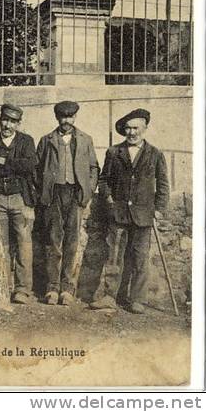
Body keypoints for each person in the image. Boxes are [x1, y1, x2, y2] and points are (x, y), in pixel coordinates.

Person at [90, 108, 170, 314]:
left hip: (144, 215)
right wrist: (108, 198)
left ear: (144, 129)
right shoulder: (114, 152)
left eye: (135, 128)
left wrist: (159, 209)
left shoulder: (155, 154)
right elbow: (104, 179)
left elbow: (163, 184)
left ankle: (137, 299)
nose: (131, 132)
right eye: (128, 128)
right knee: (114, 256)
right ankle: (109, 296)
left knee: (140, 257)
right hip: (119, 213)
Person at [36, 101, 99, 305]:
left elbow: (93, 168)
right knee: (53, 241)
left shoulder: (85, 139)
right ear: (57, 118)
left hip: (75, 194)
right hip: (53, 194)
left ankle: (68, 289)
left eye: (70, 117)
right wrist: (43, 192)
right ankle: (52, 288)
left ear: (75, 118)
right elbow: (37, 169)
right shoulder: (47, 140)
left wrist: (87, 192)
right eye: (63, 117)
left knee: (72, 241)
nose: (67, 121)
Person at [0, 104, 38, 304]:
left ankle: (22, 289)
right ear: (0, 120)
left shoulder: (26, 141)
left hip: (20, 198)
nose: (7, 125)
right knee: (1, 244)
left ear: (19, 124)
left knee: (23, 244)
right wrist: (13, 164)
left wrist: (6, 161)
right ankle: (2, 285)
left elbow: (29, 165)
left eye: (12, 122)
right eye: (5, 120)